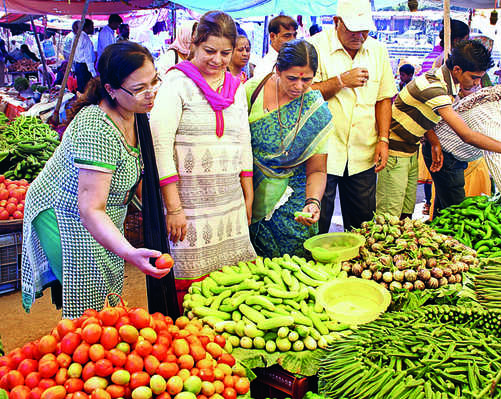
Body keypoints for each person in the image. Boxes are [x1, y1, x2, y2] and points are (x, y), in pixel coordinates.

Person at [21, 42, 170, 319]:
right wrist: (130, 252)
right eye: (139, 88)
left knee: (107, 288)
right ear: (111, 90)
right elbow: (90, 209)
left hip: (102, 209)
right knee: (89, 297)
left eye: (154, 81)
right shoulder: (96, 127)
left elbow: (136, 176)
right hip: (66, 213)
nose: (151, 94)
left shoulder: (135, 114)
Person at [149, 11, 256, 305]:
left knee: (233, 292)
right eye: (210, 51)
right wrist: (173, 208)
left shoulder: (237, 89)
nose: (218, 60)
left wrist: (248, 196)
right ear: (194, 45)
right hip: (190, 209)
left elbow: (243, 142)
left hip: (229, 206)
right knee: (193, 294)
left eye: (225, 52)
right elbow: (160, 145)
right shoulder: (176, 84)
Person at [382, 40, 501, 218]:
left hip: (411, 148)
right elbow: (467, 135)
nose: (477, 83)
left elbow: (422, 112)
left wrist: (434, 140)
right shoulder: (435, 88)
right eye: (474, 77)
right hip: (396, 150)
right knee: (391, 213)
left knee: (406, 209)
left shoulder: (446, 82)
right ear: (457, 69)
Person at [309, 0, 397, 232]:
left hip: (363, 152)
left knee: (362, 225)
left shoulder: (378, 50)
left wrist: (383, 140)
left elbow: (384, 98)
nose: (359, 35)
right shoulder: (315, 47)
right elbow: (302, 93)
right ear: (336, 22)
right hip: (322, 153)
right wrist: (340, 81)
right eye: (353, 29)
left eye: (365, 30)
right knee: (317, 221)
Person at [246, 39, 332, 257]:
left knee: (292, 270)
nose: (299, 86)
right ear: (277, 70)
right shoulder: (251, 91)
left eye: (307, 79)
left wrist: (312, 204)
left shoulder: (315, 110)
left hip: (293, 202)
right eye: (292, 78)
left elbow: (317, 170)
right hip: (250, 196)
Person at [432, 81, 501, 240]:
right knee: (456, 211)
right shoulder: (492, 117)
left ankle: (435, 233)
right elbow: (498, 168)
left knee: (445, 204)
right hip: (445, 154)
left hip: (453, 152)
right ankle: (448, 246)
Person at [73, 19, 96, 93]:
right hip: (84, 67)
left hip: (79, 66)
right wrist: (93, 73)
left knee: (82, 89)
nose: (93, 28)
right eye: (91, 26)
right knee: (86, 90)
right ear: (86, 27)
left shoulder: (77, 36)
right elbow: (88, 57)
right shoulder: (85, 38)